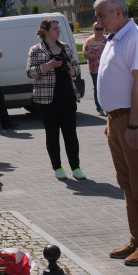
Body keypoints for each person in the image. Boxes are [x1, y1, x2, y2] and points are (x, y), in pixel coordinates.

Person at [95, 0, 138, 267]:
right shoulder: (116, 38)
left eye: (101, 16)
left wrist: (133, 124)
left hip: (130, 119)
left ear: (118, 13)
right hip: (117, 119)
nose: (98, 22)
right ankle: (137, 238)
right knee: (127, 183)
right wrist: (111, 121)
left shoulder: (135, 39)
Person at [26, 18, 84, 179]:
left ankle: (76, 167)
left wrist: (71, 70)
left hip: (68, 96)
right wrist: (48, 65)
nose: (59, 31)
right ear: (45, 31)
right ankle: (58, 168)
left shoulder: (65, 47)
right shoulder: (36, 50)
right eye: (55, 28)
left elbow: (76, 69)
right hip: (47, 99)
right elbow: (30, 72)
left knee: (70, 133)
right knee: (52, 134)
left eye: (59, 28)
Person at [82, 23, 107, 115]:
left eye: (101, 29)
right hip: (95, 69)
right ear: (93, 29)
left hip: (107, 69)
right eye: (97, 29)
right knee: (97, 88)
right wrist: (98, 57)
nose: (99, 31)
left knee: (108, 88)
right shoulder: (89, 41)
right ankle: (99, 108)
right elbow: (85, 54)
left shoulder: (108, 40)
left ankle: (108, 107)